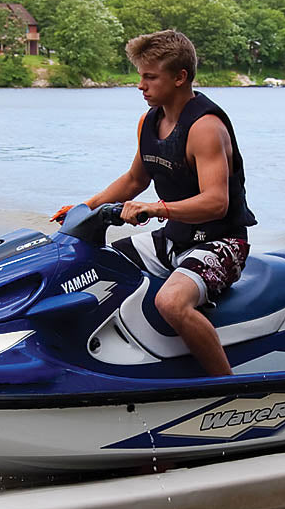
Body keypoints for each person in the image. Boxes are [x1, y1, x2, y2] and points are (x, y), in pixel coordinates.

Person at [50, 30, 256, 376]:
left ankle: (227, 387)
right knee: (90, 263)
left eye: (150, 77)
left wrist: (157, 208)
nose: (140, 86)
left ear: (180, 77)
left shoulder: (205, 128)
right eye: (140, 76)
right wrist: (84, 207)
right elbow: (134, 180)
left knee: (171, 302)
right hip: (173, 237)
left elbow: (216, 202)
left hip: (221, 243)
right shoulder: (150, 120)